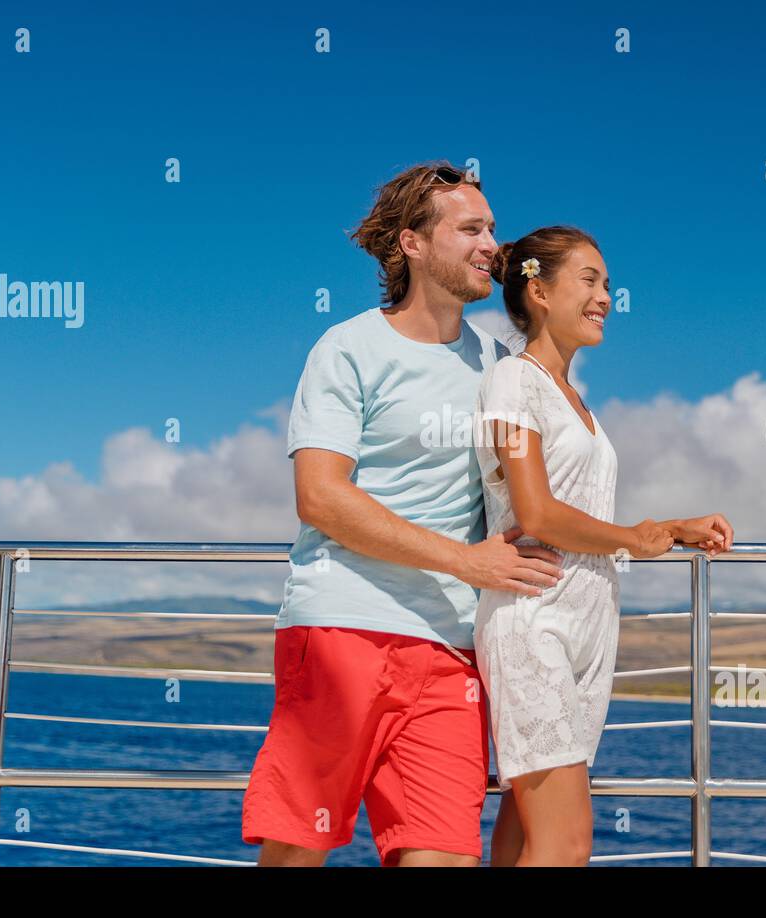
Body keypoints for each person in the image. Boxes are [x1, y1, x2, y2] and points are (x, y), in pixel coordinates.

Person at [240, 162, 565, 867]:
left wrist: (653, 532)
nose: (493, 246)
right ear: (412, 243)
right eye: (472, 229)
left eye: (495, 229)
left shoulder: (499, 364)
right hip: (341, 629)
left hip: (452, 651)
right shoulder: (349, 349)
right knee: (299, 848)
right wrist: (465, 561)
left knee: (442, 857)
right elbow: (321, 496)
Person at [472, 226, 735, 866]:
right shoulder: (513, 382)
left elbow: (579, 506)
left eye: (608, 285)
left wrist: (669, 529)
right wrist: (637, 539)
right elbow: (534, 510)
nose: (605, 297)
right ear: (537, 290)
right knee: (566, 845)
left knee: (526, 838)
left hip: (587, 628)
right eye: (588, 280)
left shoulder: (577, 400)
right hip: (535, 624)